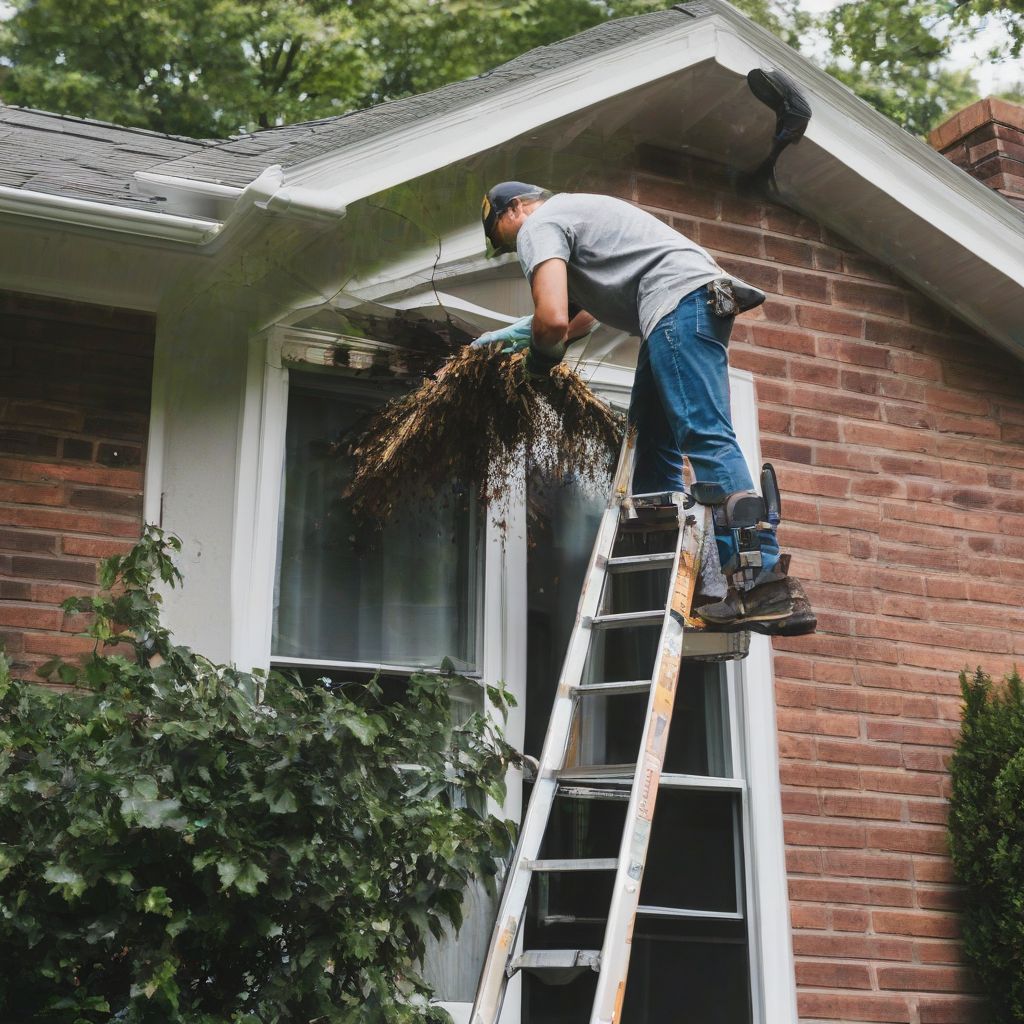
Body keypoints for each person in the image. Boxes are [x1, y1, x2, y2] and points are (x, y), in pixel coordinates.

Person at [477, 181, 816, 636]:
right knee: (654, 460)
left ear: (516, 208)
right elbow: (581, 316)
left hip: (677, 305)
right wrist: (513, 336)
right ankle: (699, 587)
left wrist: (536, 366)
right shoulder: (577, 216)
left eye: (505, 239)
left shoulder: (539, 224)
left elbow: (554, 319)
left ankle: (762, 582)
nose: (513, 250)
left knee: (704, 433)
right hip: (676, 308)